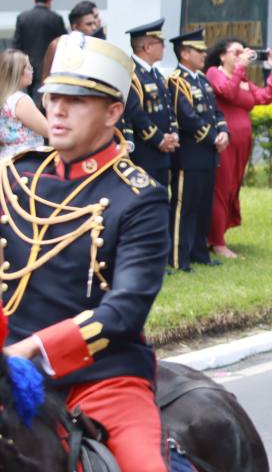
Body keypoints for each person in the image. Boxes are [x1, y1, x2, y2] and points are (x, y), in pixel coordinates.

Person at [2, 31, 168, 472]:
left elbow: (126, 309)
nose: (56, 109)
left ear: (114, 112)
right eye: (52, 97)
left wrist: (32, 349)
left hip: (100, 379)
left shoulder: (138, 197)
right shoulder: (15, 177)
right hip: (6, 372)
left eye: (75, 101)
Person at [204, 38, 272, 259]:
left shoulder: (242, 78)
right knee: (222, 186)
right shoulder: (214, 72)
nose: (241, 56)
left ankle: (218, 234)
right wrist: (240, 68)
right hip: (224, 141)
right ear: (222, 55)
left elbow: (264, 97)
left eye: (244, 52)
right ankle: (217, 242)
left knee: (233, 186)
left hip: (243, 142)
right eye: (236, 52)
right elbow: (226, 92)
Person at [166, 29, 229, 272]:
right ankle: (179, 257)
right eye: (198, 51)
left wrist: (223, 132)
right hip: (190, 154)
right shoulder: (177, 81)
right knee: (184, 206)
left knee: (203, 205)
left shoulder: (202, 79)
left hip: (208, 154)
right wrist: (213, 138)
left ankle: (199, 252)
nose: (204, 54)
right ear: (184, 53)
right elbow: (187, 117)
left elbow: (217, 112)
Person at [125, 18, 179, 186]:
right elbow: (136, 113)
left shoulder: (156, 74)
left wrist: (173, 134)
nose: (163, 46)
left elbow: (169, 108)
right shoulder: (132, 73)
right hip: (145, 152)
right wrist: (159, 139)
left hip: (163, 153)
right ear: (147, 47)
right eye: (160, 42)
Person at [12, 0, 67, 102]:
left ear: (35, 1)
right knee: (45, 96)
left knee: (30, 94)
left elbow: (17, 45)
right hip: (49, 65)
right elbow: (63, 43)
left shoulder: (22, 17)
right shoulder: (55, 18)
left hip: (27, 65)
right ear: (49, 2)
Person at [0, 49, 48, 159]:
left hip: (4, 162)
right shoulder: (20, 100)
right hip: (26, 161)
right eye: (28, 67)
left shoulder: (4, 99)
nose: (32, 71)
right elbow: (48, 131)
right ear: (17, 72)